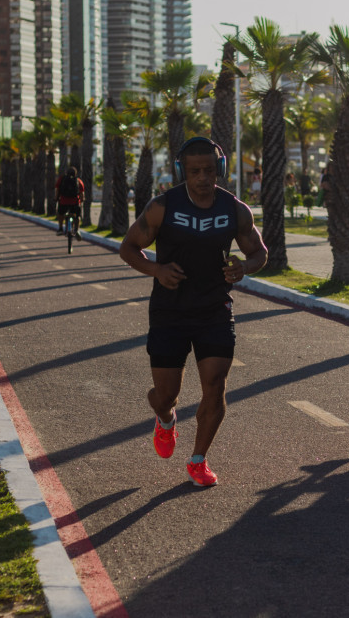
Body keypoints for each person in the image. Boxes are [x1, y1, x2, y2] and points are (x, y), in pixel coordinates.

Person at [119, 137, 267, 487]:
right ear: (180, 170)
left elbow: (260, 253)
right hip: (170, 311)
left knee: (215, 386)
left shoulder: (234, 209)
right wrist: (157, 270)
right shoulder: (162, 207)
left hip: (214, 309)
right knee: (165, 395)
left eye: (210, 170)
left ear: (221, 169)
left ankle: (199, 460)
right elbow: (129, 248)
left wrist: (243, 268)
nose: (203, 177)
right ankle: (165, 418)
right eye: (194, 170)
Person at [55, 166, 85, 239]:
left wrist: (56, 198)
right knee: (77, 216)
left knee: (60, 213)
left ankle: (60, 228)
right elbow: (81, 194)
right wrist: (82, 200)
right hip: (75, 202)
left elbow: (57, 190)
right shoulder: (78, 181)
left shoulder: (61, 179)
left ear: (66, 173)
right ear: (75, 174)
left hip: (63, 202)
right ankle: (77, 230)